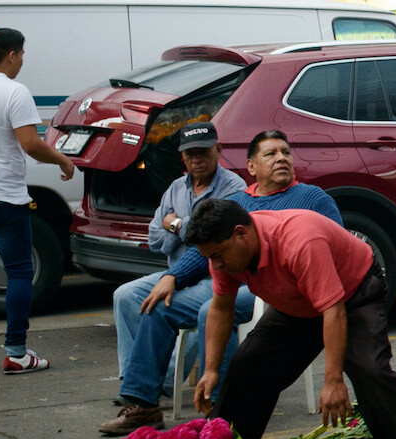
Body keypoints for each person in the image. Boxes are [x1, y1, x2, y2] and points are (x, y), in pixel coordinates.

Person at [188, 198, 396, 439]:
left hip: (352, 294)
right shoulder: (223, 255)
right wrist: (210, 370)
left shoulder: (299, 241)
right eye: (210, 258)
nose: (215, 265)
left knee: (369, 369)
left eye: (217, 256)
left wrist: (333, 381)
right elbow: (221, 309)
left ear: (241, 233)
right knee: (249, 365)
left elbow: (333, 311)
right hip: (297, 303)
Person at [98, 122, 255, 435]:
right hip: (177, 271)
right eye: (190, 153)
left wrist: (178, 225)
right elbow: (154, 236)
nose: (197, 158)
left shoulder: (232, 187)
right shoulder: (176, 187)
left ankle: (160, 385)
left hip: (214, 274)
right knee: (126, 295)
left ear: (218, 151)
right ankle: (135, 386)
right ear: (182, 157)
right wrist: (176, 230)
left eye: (203, 151)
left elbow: (210, 242)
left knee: (169, 305)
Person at [137, 129, 343, 313]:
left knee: (208, 310)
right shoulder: (237, 202)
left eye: (285, 152)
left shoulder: (314, 198)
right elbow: (207, 247)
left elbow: (338, 251)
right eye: (271, 154)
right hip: (235, 282)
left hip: (287, 289)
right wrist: (173, 276)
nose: (281, 158)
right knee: (149, 303)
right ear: (251, 167)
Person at [0, 27, 74, 375]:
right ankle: (16, 352)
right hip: (3, 196)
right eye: (22, 55)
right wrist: (63, 160)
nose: (22, 62)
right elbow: (30, 143)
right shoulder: (15, 92)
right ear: (13, 54)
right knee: (19, 272)